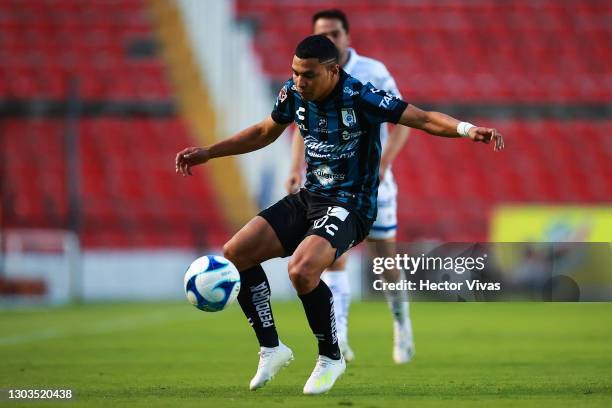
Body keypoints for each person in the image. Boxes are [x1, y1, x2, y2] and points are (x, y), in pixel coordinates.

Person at [176, 35, 504, 395]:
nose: (300, 81)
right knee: (236, 252)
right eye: (295, 73)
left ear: (334, 71)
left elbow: (422, 119)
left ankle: (330, 356)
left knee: (301, 270)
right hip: (310, 196)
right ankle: (272, 347)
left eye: (309, 75)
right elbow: (263, 132)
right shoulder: (294, 93)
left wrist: (467, 129)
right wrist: (209, 152)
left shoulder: (360, 96)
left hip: (351, 204)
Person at [285, 9, 413, 364]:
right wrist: (295, 168)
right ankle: (339, 334)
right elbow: (301, 125)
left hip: (372, 183)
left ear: (347, 37)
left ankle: (401, 325)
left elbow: (403, 119)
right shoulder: (309, 76)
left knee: (384, 261)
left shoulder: (373, 72)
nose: (330, 39)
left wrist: (384, 163)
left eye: (335, 33)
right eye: (322, 34)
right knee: (332, 259)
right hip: (329, 187)